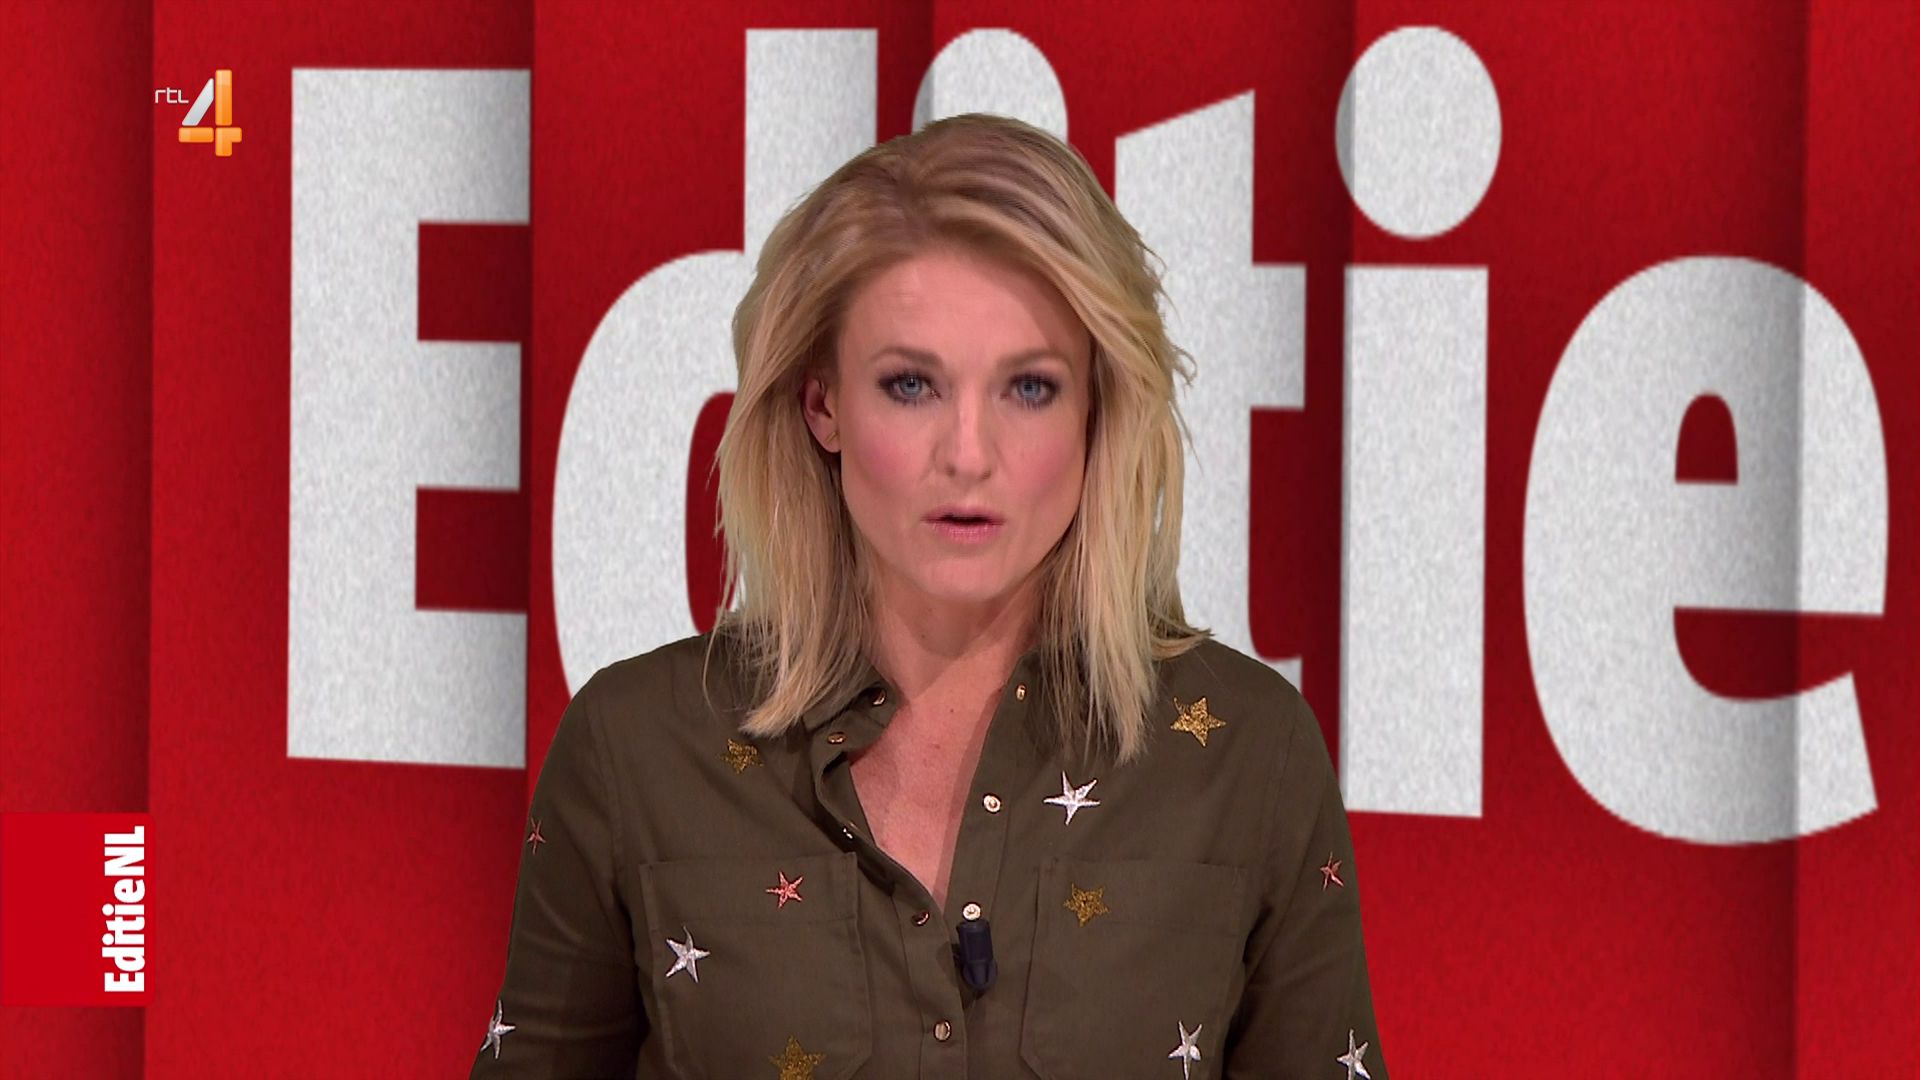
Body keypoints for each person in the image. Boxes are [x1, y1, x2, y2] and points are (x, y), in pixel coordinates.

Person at [472, 112, 1387, 1080]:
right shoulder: (634, 750)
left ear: (1097, 410)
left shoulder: (1252, 756)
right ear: (821, 403)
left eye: (1029, 389)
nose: (969, 454)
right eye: (911, 385)